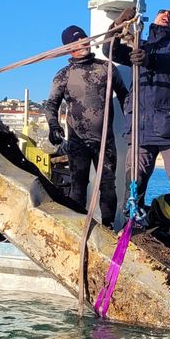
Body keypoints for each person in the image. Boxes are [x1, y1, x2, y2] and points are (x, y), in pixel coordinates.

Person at [104, 7, 170, 265]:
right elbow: (109, 50)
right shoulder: (138, 44)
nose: (166, 15)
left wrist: (149, 59)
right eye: (162, 13)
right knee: (135, 184)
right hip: (140, 129)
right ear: (153, 20)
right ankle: (131, 230)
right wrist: (119, 24)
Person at [45, 25, 128, 228]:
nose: (82, 41)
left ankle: (108, 227)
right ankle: (77, 227)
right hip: (77, 141)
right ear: (67, 48)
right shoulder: (64, 74)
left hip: (104, 141)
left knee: (108, 186)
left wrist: (133, 124)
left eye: (84, 37)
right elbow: (51, 104)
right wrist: (53, 126)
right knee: (78, 185)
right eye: (76, 40)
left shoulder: (106, 68)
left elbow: (126, 97)